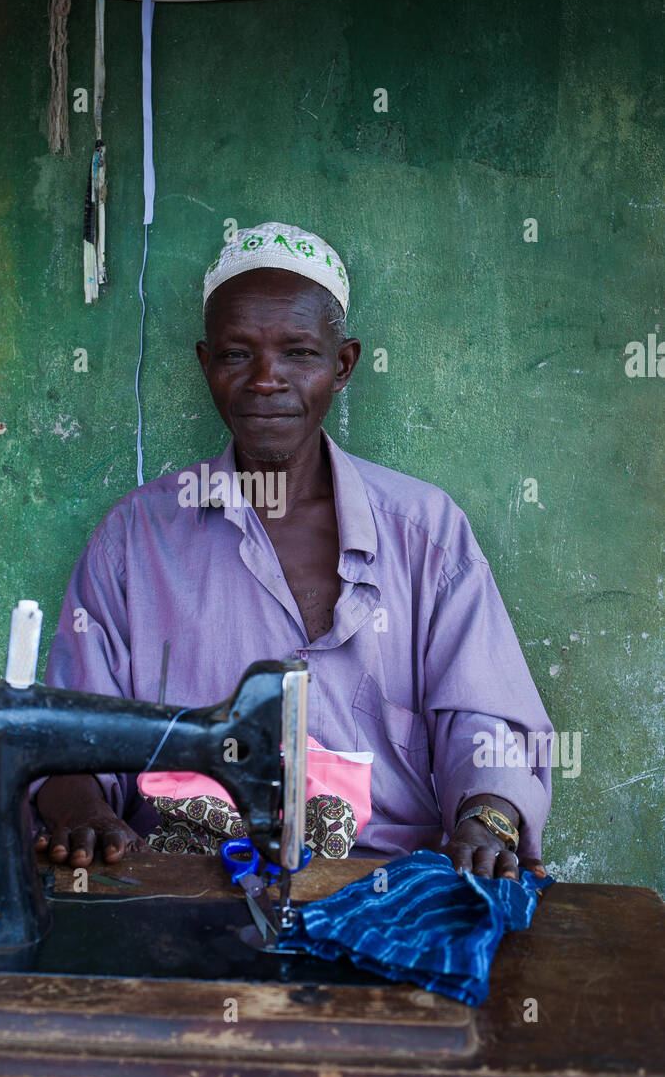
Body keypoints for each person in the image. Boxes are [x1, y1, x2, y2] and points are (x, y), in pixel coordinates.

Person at [34, 221, 552, 881]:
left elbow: (484, 721)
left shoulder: (425, 532)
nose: (266, 380)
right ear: (205, 364)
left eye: (299, 354)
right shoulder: (136, 540)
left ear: (343, 365)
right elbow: (73, 732)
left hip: (386, 884)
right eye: (236, 355)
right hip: (187, 878)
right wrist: (81, 812)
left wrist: (488, 818)